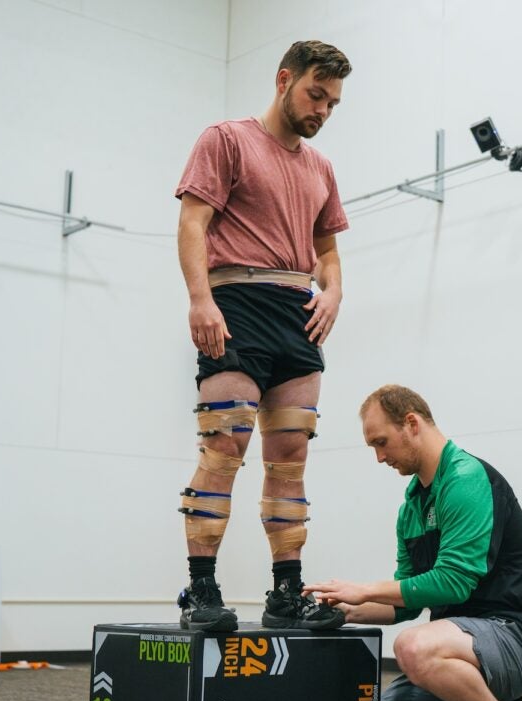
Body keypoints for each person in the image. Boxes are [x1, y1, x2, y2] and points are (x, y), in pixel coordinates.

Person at [172, 40, 352, 633]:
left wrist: (333, 291)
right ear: (284, 80)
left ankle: (285, 594)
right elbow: (192, 223)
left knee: (290, 460)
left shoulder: (321, 168)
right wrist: (202, 299)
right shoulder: (226, 139)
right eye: (315, 95)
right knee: (224, 447)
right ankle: (200, 590)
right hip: (236, 302)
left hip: (296, 311)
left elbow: (328, 252)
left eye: (332, 102)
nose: (322, 110)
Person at [305, 385, 522, 701]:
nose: (379, 457)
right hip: (456, 648)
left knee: (412, 646)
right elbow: (403, 603)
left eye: (381, 442)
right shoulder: (411, 509)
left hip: (515, 636)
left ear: (412, 423)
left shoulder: (466, 479)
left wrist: (364, 589)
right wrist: (341, 610)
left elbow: (452, 584)